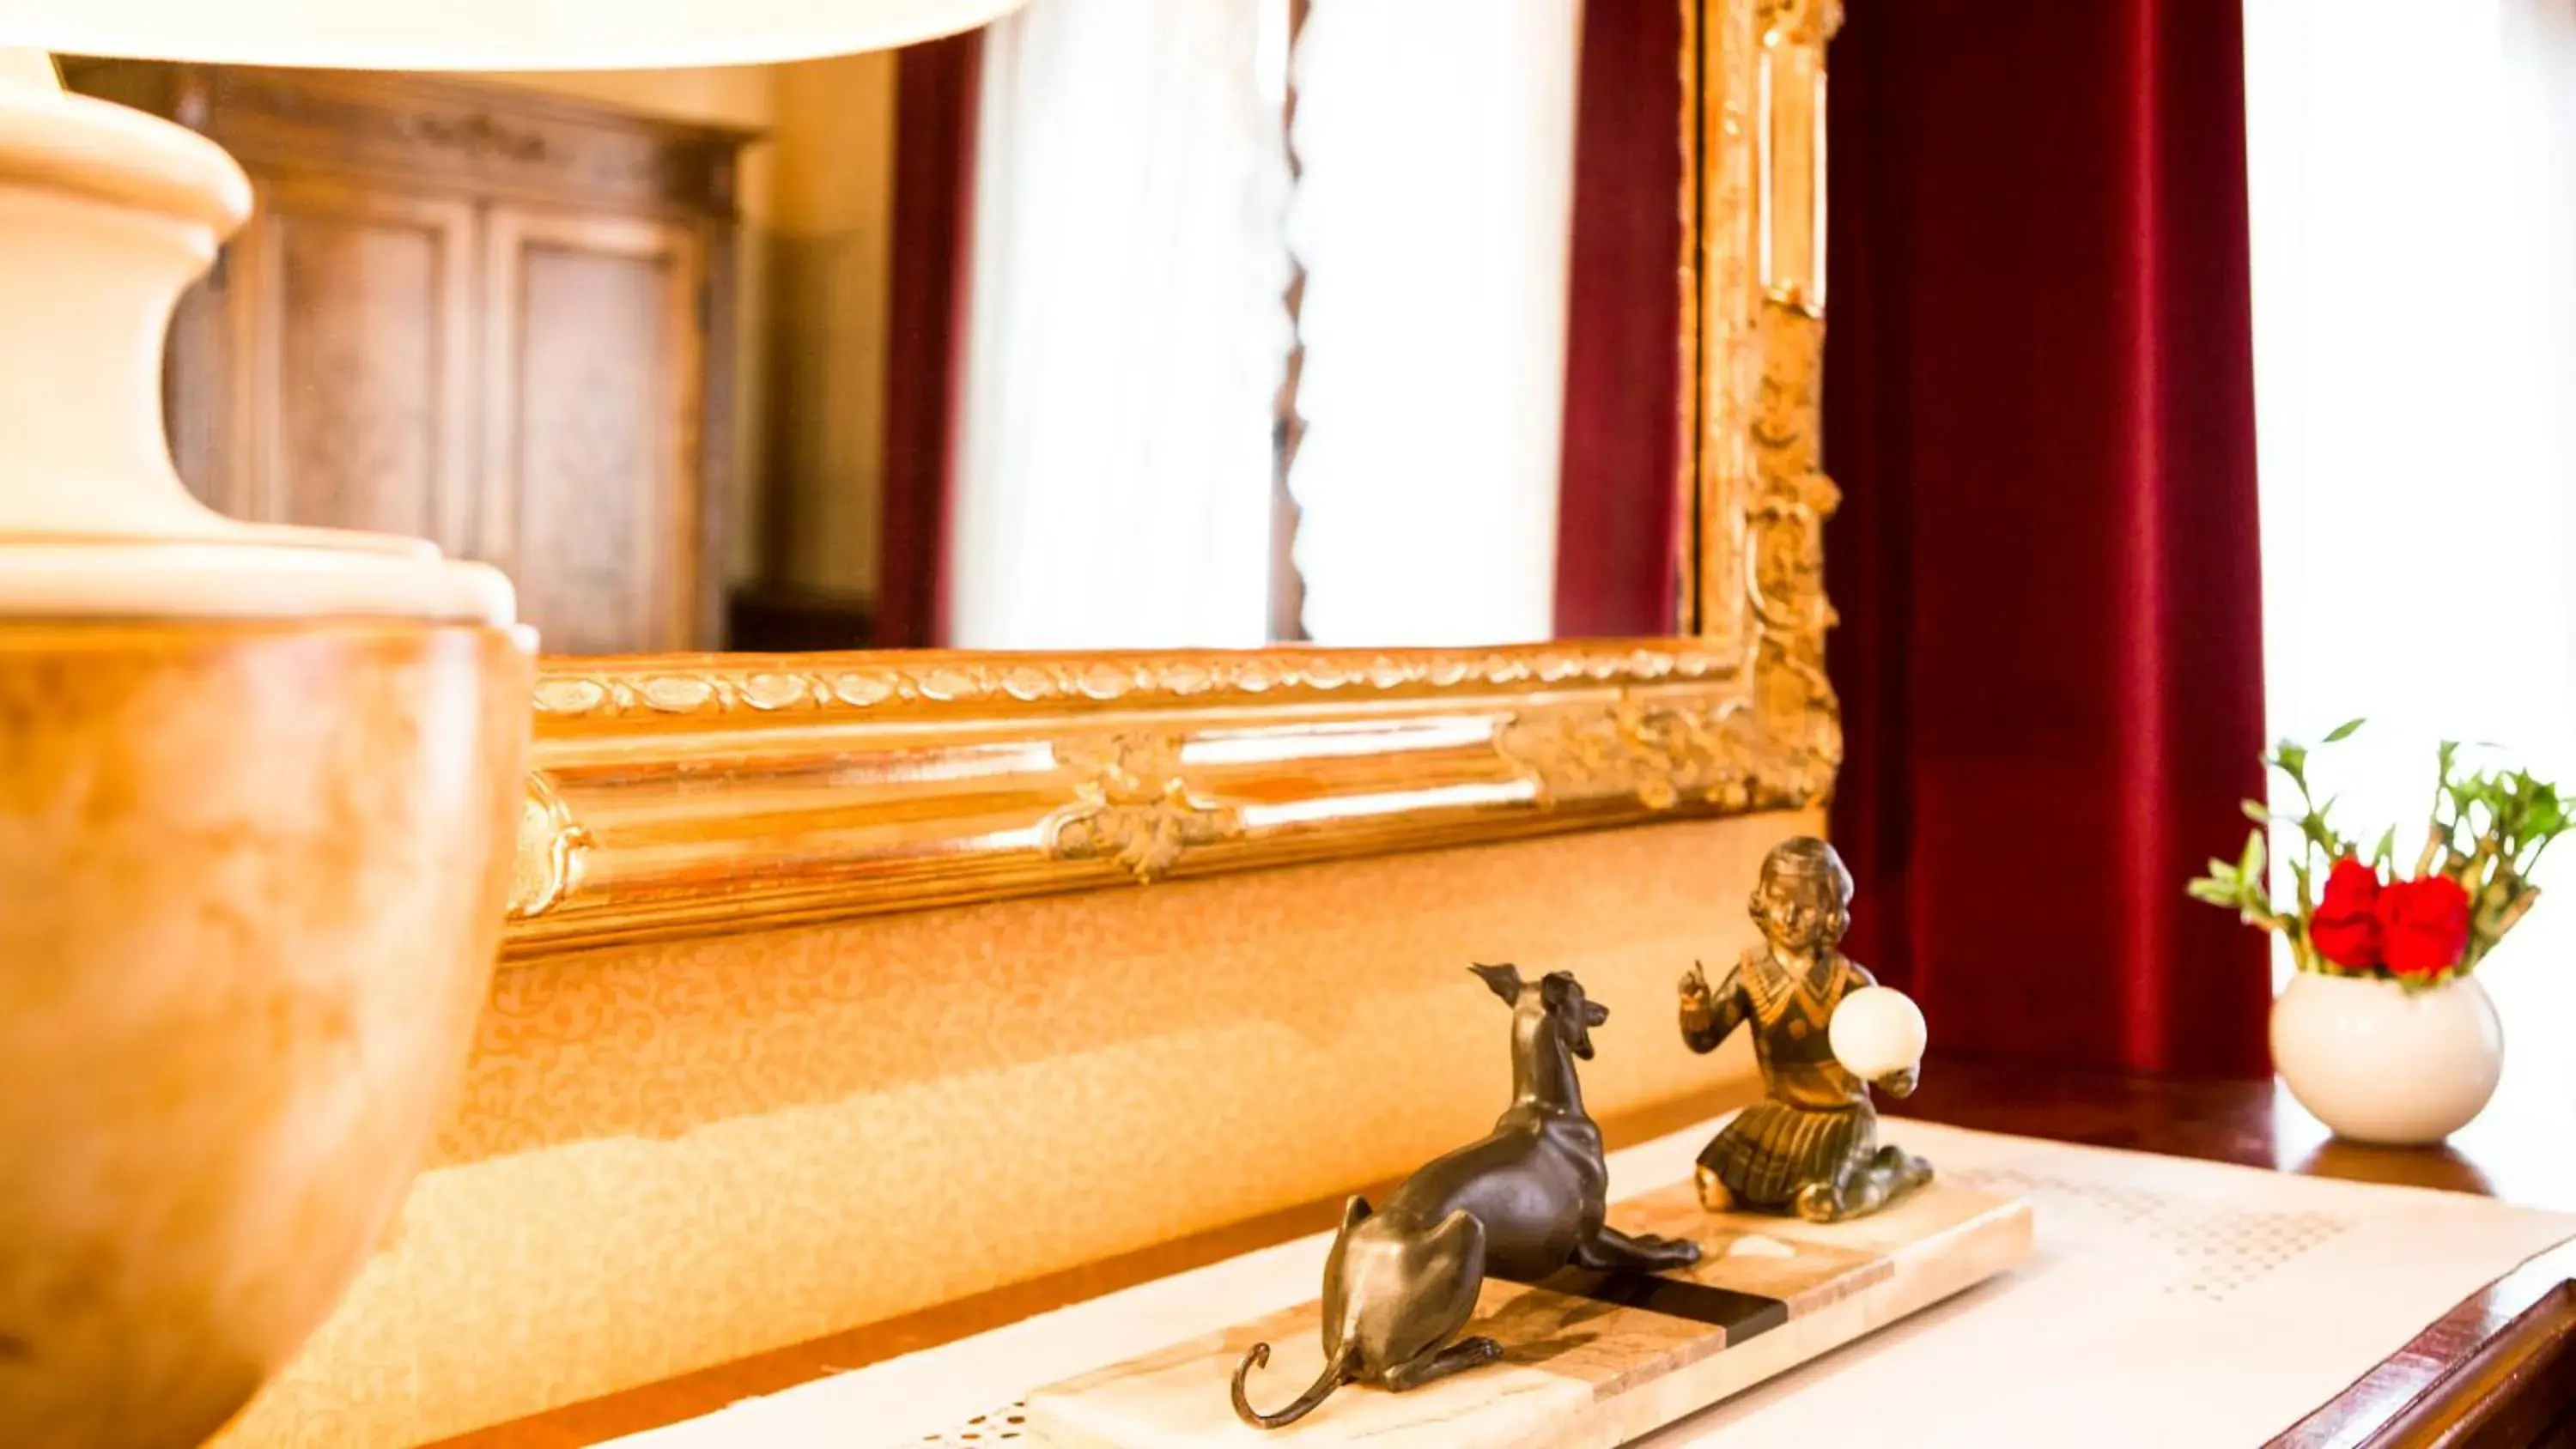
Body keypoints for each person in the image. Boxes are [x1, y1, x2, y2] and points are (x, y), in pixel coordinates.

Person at [1678, 836, 1931, 1222]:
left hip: (1841, 1116)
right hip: (1780, 1112)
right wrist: (1695, 1009)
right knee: (1712, 1189)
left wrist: (1901, 1074)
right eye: (1779, 900)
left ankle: (1892, 1169)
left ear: (1831, 911)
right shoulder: (1750, 975)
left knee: (1820, 1205)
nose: (1789, 916)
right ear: (1762, 900)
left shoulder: (1850, 982)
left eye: (1806, 905)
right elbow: (1705, 1039)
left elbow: (1892, 1046)